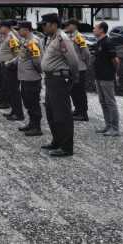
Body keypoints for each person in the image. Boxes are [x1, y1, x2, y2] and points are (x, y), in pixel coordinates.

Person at [40, 13, 81, 157]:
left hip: (58, 80)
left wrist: (73, 78)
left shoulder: (62, 38)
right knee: (51, 113)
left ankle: (66, 147)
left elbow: (73, 61)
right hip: (50, 79)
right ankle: (56, 141)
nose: (43, 27)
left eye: (45, 24)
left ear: (53, 24)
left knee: (62, 114)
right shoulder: (51, 38)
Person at [92, 21, 121, 136]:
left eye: (95, 28)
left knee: (110, 102)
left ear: (101, 30)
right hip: (98, 76)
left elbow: (116, 61)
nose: (93, 30)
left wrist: (115, 73)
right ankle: (108, 125)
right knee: (103, 102)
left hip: (106, 77)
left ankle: (115, 128)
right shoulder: (98, 42)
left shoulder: (108, 42)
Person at [16, 21, 43, 136]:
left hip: (31, 78)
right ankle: (31, 123)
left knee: (33, 102)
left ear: (26, 30)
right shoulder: (25, 41)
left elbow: (37, 61)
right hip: (25, 77)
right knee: (28, 101)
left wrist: (38, 72)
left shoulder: (33, 42)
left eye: (20, 29)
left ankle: (37, 127)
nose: (18, 31)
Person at [64, 19, 91, 121]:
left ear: (74, 26)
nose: (66, 27)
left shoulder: (79, 37)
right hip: (72, 68)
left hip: (79, 68)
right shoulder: (70, 36)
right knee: (73, 91)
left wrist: (85, 64)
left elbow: (86, 53)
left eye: (68, 25)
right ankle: (77, 109)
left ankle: (83, 113)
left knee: (79, 91)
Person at [0, 20, 23, 121]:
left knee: (14, 91)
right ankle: (14, 111)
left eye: (1, 27)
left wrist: (11, 63)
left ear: (6, 27)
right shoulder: (7, 36)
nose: (0, 29)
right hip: (6, 66)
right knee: (10, 90)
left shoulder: (11, 38)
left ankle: (18, 114)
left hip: (11, 67)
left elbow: (17, 53)